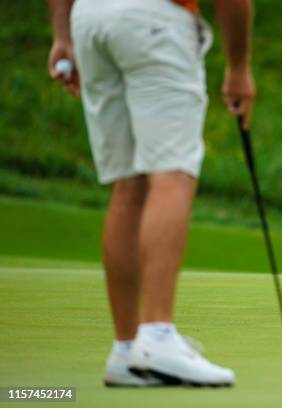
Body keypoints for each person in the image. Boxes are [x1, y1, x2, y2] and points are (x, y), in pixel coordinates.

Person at [47, 0, 255, 387]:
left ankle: (127, 348)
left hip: (88, 18)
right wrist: (239, 67)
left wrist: (62, 34)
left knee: (129, 185)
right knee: (171, 174)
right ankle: (157, 335)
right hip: (154, 21)